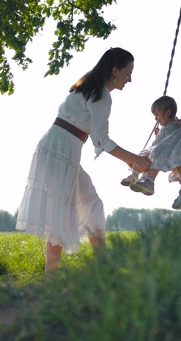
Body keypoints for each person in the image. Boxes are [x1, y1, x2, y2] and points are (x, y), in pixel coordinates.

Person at [16, 47, 151, 272]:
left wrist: (130, 160)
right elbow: (101, 140)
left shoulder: (92, 88)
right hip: (60, 152)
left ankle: (104, 268)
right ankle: (53, 278)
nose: (130, 79)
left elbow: (95, 137)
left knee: (92, 205)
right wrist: (135, 159)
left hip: (61, 149)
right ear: (115, 70)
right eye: (128, 73)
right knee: (60, 214)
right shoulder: (100, 95)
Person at [120, 95, 180, 186]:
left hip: (162, 152)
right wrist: (159, 134)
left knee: (148, 158)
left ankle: (144, 178)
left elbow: (172, 140)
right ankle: (134, 175)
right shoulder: (165, 127)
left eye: (157, 115)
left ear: (167, 113)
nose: (156, 119)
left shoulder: (175, 126)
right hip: (155, 149)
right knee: (141, 156)